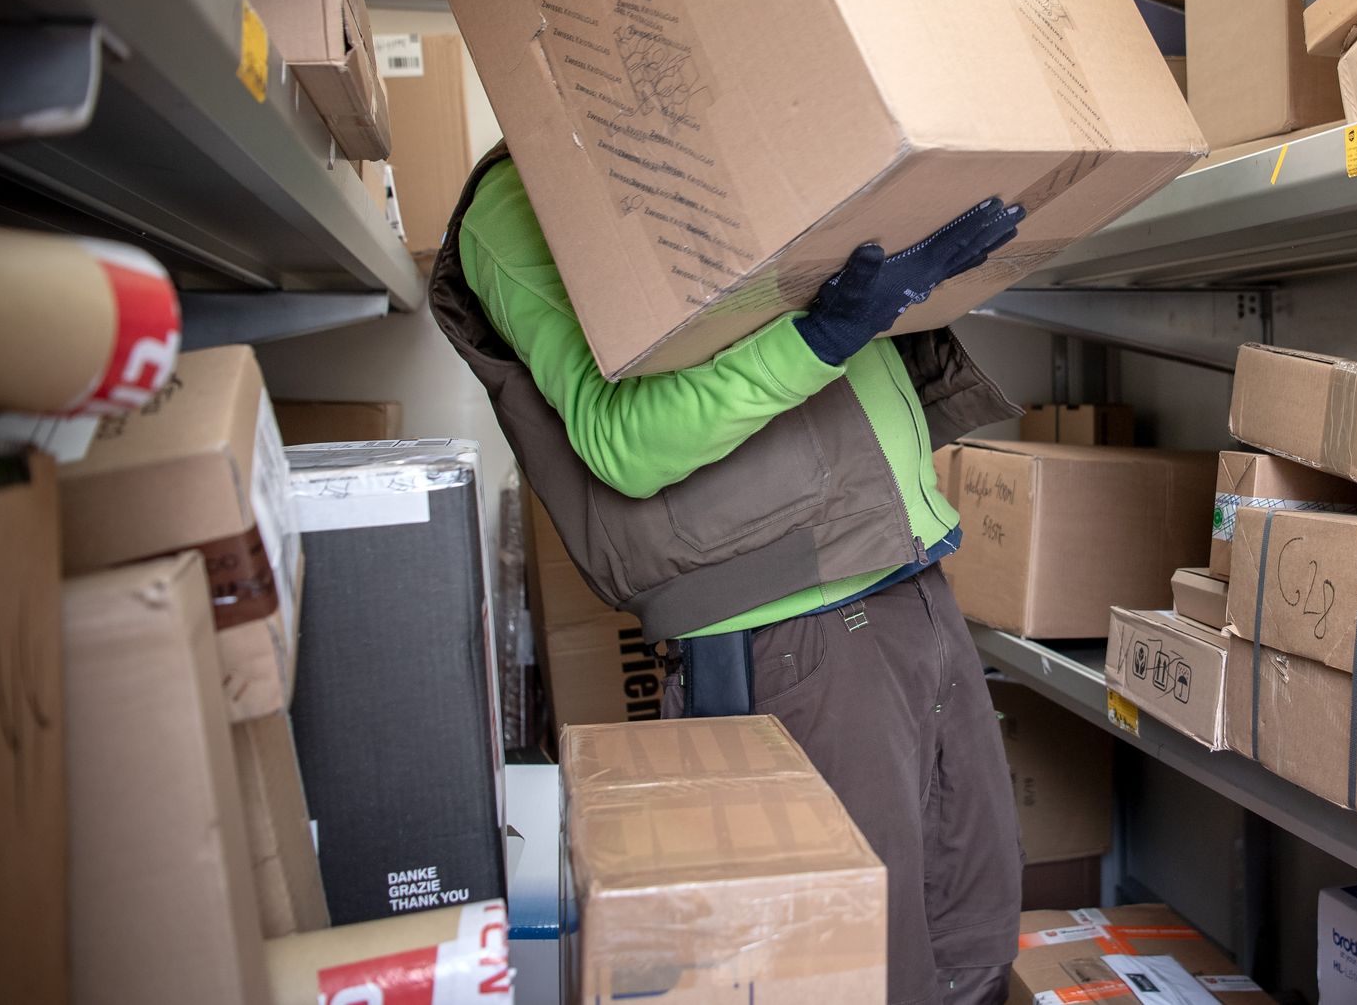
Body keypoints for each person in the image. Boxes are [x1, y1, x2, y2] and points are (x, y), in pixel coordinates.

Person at [430, 144, 1029, 1005]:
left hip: (909, 576)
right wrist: (825, 333)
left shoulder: (741, 127)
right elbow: (623, 442)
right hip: (784, 625)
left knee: (972, 948)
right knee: (847, 976)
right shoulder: (515, 201)